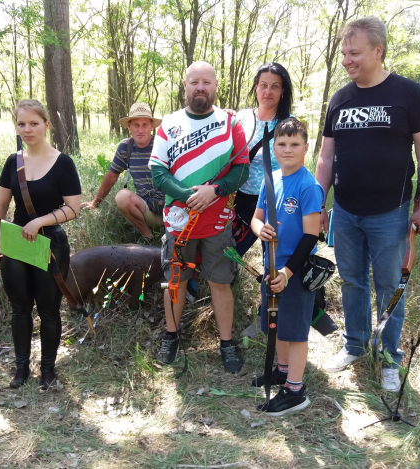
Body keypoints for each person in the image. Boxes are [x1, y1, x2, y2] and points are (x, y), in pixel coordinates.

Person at [315, 17, 420, 391]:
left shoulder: (407, 94)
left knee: (389, 285)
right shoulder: (340, 98)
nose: (346, 60)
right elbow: (325, 158)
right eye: (343, 54)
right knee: (352, 281)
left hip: (391, 211)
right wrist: (317, 202)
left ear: (377, 51)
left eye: (354, 53)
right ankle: (355, 345)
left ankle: (388, 357)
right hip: (347, 211)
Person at [149, 61, 250, 373]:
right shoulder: (169, 124)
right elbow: (157, 170)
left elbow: (242, 168)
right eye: (194, 82)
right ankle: (171, 336)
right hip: (179, 221)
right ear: (185, 85)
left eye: (206, 82)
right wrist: (186, 196)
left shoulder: (229, 123)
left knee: (221, 282)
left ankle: (226, 343)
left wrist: (214, 191)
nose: (200, 87)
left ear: (216, 85)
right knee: (175, 282)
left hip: (217, 222)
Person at [0, 99, 82, 391]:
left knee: (50, 310)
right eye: (21, 124)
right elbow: (0, 205)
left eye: (34, 123)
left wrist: (40, 222)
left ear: (46, 125)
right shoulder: (13, 162)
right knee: (20, 309)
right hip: (16, 245)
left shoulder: (63, 163)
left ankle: (48, 371)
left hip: (51, 244)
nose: (27, 129)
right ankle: (21, 369)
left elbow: (74, 207)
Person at [251, 118, 323, 415]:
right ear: (273, 147)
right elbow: (256, 217)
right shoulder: (271, 181)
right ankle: (282, 371)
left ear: (306, 148)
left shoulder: (308, 185)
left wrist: (287, 273)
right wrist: (260, 230)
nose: (287, 149)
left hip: (295, 271)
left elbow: (311, 235)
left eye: (295, 144)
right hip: (273, 271)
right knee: (277, 324)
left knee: (294, 331)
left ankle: (294, 391)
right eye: (281, 144)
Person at [233, 63, 294, 256]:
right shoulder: (241, 118)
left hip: (273, 201)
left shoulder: (289, 125)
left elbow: (295, 168)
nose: (268, 91)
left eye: (275, 86)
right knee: (231, 252)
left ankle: (273, 284)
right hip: (240, 197)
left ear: (283, 90)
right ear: (256, 86)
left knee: (274, 257)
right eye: (263, 85)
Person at [82, 103, 165, 238]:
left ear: (152, 126)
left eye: (145, 125)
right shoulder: (126, 147)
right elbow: (111, 177)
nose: (140, 130)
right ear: (129, 127)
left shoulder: (162, 145)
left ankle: (171, 235)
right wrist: (95, 202)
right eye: (136, 125)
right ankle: (148, 237)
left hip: (172, 211)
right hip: (146, 209)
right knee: (122, 196)